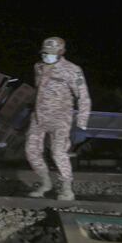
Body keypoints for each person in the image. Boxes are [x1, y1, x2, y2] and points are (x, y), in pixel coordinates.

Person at [25, 37, 91, 200]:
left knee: (58, 152)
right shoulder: (38, 67)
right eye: (45, 53)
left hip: (60, 118)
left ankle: (67, 189)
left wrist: (81, 123)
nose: (47, 56)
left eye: (52, 53)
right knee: (31, 150)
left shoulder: (72, 70)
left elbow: (83, 97)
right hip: (39, 117)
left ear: (62, 52)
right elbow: (39, 90)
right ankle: (45, 182)